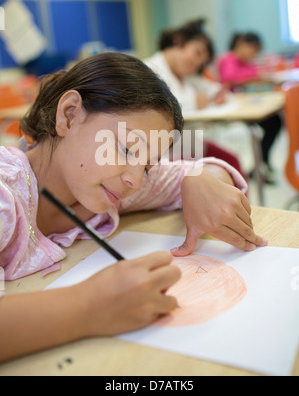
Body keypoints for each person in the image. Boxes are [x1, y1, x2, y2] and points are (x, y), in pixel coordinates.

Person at [0, 52, 266, 363]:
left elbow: (191, 172)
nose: (135, 181)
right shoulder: (7, 195)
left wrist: (198, 178)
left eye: (147, 167)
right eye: (127, 149)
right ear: (70, 115)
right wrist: (88, 305)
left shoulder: (110, 185)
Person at [144, 19, 245, 177]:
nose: (196, 63)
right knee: (223, 173)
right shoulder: (148, 70)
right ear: (179, 41)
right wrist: (195, 101)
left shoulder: (188, 77)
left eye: (201, 63)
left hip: (189, 145)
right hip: (166, 154)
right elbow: (159, 111)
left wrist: (217, 96)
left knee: (233, 163)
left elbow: (214, 91)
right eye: (197, 52)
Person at [217, 32, 283, 181]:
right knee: (272, 123)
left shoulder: (246, 62)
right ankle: (260, 163)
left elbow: (255, 74)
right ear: (241, 43)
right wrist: (255, 77)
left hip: (244, 104)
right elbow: (230, 77)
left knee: (275, 121)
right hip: (232, 107)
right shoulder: (228, 59)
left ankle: (262, 162)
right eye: (252, 50)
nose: (253, 54)